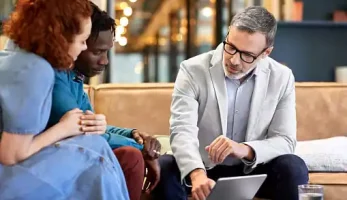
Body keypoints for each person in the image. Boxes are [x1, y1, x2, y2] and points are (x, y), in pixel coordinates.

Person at [152, 6, 309, 200]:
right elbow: (182, 131)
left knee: (293, 166)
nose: (234, 60)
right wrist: (197, 174)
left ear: (265, 53)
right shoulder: (192, 70)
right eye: (231, 47)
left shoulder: (282, 77)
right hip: (203, 169)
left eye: (247, 55)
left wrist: (243, 148)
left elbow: (285, 141)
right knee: (165, 166)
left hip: (254, 171)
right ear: (227, 36)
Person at [0, 0, 130, 199]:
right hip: (6, 179)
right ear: (60, 36)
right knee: (97, 151)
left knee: (96, 147)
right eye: (82, 40)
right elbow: (11, 154)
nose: (84, 47)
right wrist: (64, 128)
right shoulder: (36, 69)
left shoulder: (12, 58)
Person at [46, 2, 161, 200]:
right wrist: (142, 149)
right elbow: (87, 136)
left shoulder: (73, 78)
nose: (105, 61)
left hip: (70, 158)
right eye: (97, 51)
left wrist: (133, 135)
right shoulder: (53, 78)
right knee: (130, 158)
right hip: (50, 166)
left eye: (107, 51)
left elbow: (95, 129)